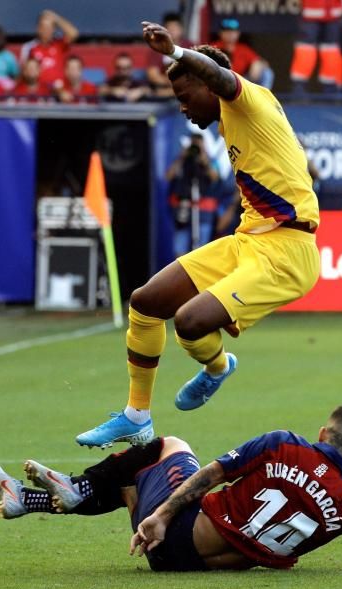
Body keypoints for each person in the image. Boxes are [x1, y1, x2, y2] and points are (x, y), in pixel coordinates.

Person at [76, 20, 320, 449]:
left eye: (185, 97)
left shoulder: (251, 101)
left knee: (189, 322)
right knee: (146, 302)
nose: (184, 109)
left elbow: (223, 78)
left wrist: (175, 52)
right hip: (250, 240)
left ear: (208, 85)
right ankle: (136, 416)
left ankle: (218, 366)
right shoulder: (231, 121)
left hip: (287, 250)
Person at [0, 405, 342, 573]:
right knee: (128, 486)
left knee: (167, 446)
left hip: (171, 538)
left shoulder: (284, 444)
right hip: (200, 566)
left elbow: (211, 476)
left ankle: (73, 486)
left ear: (323, 432)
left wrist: (160, 516)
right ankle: (28, 499)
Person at [290, 0, 342, 92]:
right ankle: (298, 88)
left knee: (331, 52)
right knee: (306, 51)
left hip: (334, 13)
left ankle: (330, 87)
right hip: (311, 12)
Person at [20, 9, 79, 86]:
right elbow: (23, 72)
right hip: (40, 92)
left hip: (60, 91)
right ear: (38, 29)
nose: (47, 31)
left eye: (50, 28)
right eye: (44, 27)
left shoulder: (59, 44)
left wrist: (56, 18)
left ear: (53, 30)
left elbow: (74, 34)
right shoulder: (29, 47)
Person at [211, 18, 270, 87]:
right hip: (219, 81)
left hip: (239, 82)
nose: (230, 34)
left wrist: (257, 63)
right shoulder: (213, 47)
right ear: (220, 33)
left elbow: (263, 63)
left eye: (233, 32)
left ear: (238, 33)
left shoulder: (243, 48)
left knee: (267, 72)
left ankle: (262, 96)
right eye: (227, 31)